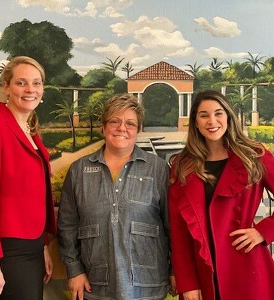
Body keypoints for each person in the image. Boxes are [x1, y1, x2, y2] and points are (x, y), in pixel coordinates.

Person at [57, 93, 174, 300]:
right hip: (95, 285)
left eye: (130, 123)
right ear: (103, 127)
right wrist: (74, 270)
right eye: (114, 121)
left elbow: (173, 226)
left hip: (148, 284)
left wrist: (176, 270)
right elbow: (67, 226)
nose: (122, 128)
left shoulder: (158, 169)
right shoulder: (79, 170)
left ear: (138, 130)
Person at [168, 90, 274, 300]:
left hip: (246, 267)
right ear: (195, 122)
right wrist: (187, 282)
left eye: (218, 113)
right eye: (203, 115)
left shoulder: (254, 155)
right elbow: (179, 231)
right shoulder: (182, 165)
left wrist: (263, 231)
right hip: (201, 271)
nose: (212, 121)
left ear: (228, 117)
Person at [0, 56, 56, 299]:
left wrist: (43, 247)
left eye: (37, 83)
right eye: (22, 83)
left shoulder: (30, 131)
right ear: (6, 87)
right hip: (5, 250)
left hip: (30, 246)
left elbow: (33, 196)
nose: (31, 89)